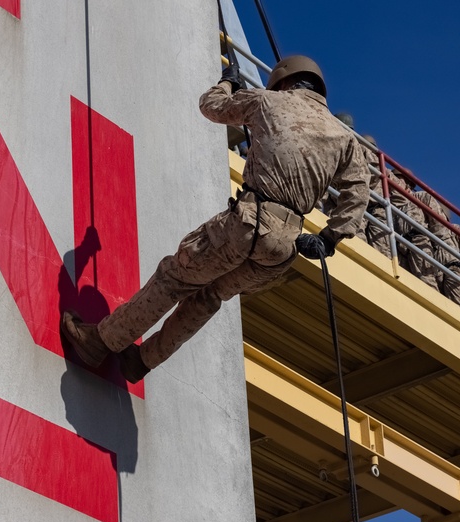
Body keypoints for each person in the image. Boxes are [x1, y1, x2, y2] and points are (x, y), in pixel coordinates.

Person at [61, 55, 369, 382]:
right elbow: (359, 192)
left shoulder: (269, 101)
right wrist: (328, 238)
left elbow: (212, 106)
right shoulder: (343, 137)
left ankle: (100, 341)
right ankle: (143, 360)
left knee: (175, 277)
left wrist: (228, 82)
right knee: (209, 297)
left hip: (247, 223)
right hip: (284, 248)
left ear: (284, 82)